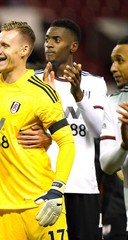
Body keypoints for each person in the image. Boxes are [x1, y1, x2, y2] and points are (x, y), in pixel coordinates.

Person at [0, 20, 76, 239]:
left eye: (5, 45)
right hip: (4, 207)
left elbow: (67, 142)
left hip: (41, 200)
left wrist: (56, 190)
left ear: (24, 50)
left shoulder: (41, 93)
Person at [33, 19, 108, 240]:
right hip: (43, 184)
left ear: (73, 46)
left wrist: (79, 96)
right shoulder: (34, 82)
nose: (49, 44)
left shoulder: (94, 84)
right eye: (47, 39)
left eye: (56, 40)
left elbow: (98, 131)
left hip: (82, 186)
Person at [99, 36, 128, 239]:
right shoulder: (112, 104)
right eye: (112, 60)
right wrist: (124, 146)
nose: (112, 68)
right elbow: (106, 165)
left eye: (120, 60)